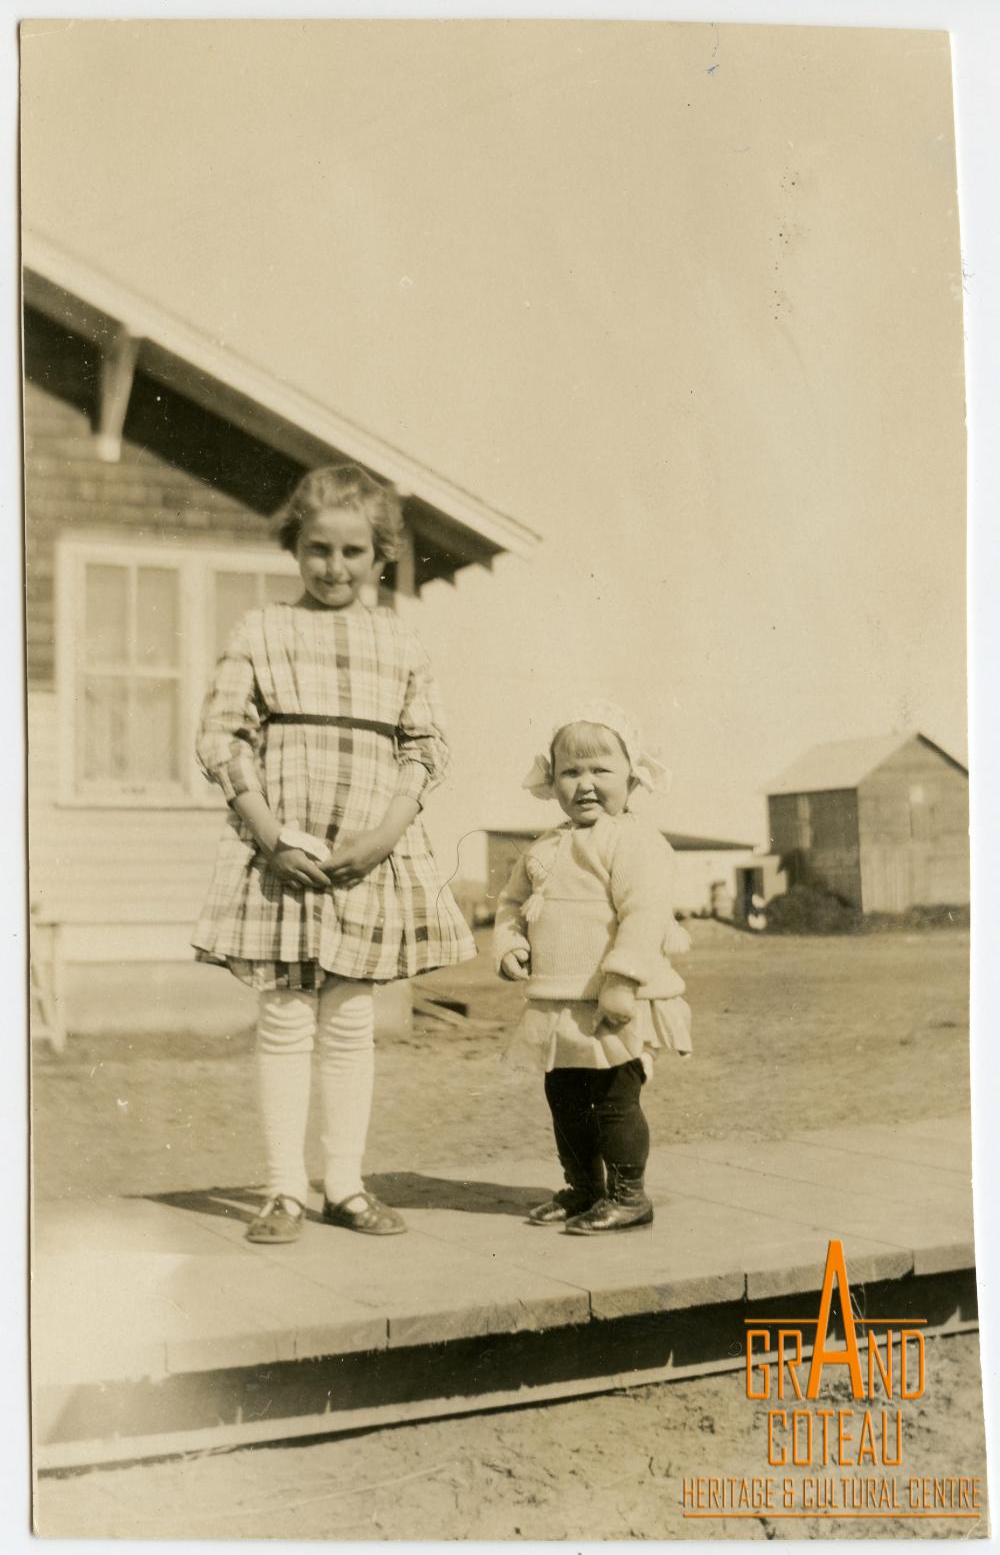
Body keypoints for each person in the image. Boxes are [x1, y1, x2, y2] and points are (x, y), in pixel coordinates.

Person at [193, 464, 476, 1244]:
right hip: (283, 858)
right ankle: (285, 1189)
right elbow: (223, 738)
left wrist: (386, 833)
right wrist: (270, 834)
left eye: (354, 552)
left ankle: (344, 1184)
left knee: (350, 1024)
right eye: (318, 548)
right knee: (284, 1019)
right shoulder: (261, 632)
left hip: (367, 856)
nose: (334, 567)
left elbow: (427, 745)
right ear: (295, 547)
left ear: (381, 557)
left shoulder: (401, 641)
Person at [493, 702, 692, 1234]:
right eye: (570, 772)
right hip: (559, 999)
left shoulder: (633, 841)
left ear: (633, 777)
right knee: (563, 1098)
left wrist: (622, 979)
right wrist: (509, 942)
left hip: (611, 999)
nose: (585, 784)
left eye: (601, 770)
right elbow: (513, 902)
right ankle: (584, 1188)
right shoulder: (545, 845)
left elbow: (644, 912)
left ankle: (630, 1195)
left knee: (613, 1098)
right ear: (550, 781)